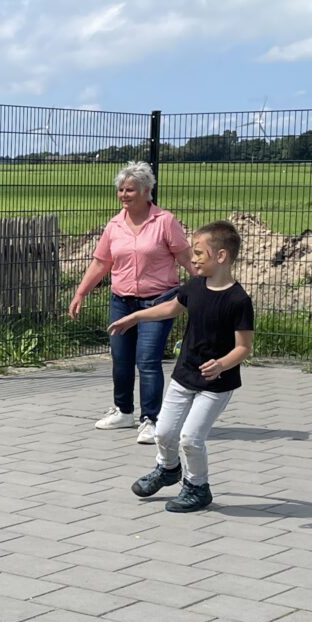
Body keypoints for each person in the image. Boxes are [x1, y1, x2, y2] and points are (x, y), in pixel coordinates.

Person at [108, 220, 253, 513]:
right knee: (163, 433)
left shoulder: (238, 300)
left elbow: (244, 347)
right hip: (184, 374)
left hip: (216, 383)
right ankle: (168, 469)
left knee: (191, 438)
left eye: (199, 252)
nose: (192, 258)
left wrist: (221, 364)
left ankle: (198, 487)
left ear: (221, 256)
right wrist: (136, 317)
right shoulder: (195, 286)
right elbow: (172, 307)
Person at [69, 161, 196, 444]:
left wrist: (209, 287)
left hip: (157, 302)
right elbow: (101, 262)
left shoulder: (164, 221)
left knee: (147, 360)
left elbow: (186, 257)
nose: (124, 195)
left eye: (130, 190)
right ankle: (123, 411)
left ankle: (151, 419)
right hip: (121, 301)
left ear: (146, 190)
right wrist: (80, 293)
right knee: (121, 358)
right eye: (121, 190)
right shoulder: (114, 225)